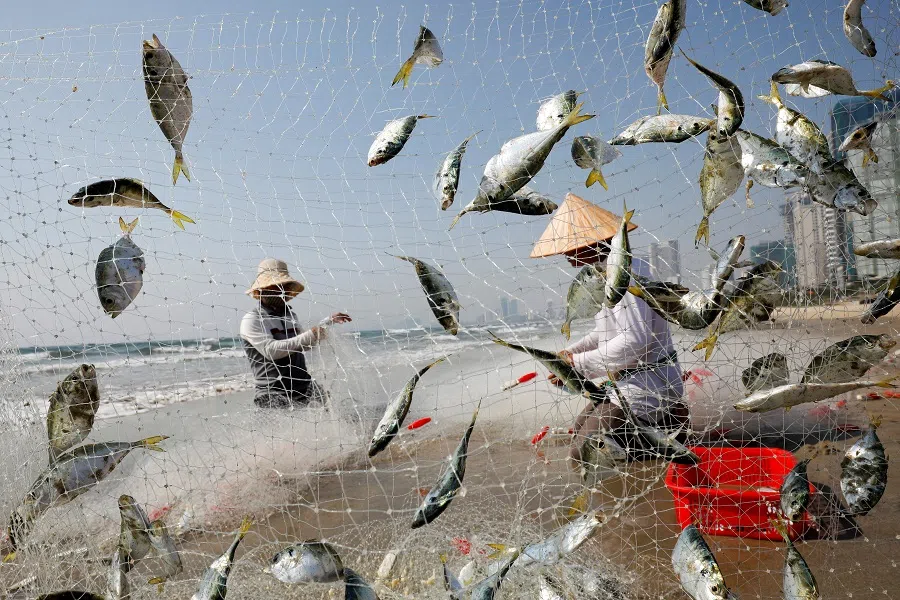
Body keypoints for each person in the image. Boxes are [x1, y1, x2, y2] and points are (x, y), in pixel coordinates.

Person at [530, 193, 689, 466]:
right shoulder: (602, 274)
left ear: (589, 243)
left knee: (582, 455)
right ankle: (667, 422)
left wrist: (576, 365)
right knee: (580, 431)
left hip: (648, 384)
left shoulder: (623, 273)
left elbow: (635, 340)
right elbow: (604, 333)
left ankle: (668, 420)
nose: (566, 254)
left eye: (570, 246)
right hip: (630, 381)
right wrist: (570, 354)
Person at [240, 258, 351, 408]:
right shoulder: (252, 319)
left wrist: (328, 322)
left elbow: (301, 345)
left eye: (284, 285)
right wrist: (311, 335)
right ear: (261, 290)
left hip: (304, 387)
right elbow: (271, 351)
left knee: (329, 411)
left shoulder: (290, 316)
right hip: (273, 395)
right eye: (275, 286)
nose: (281, 290)